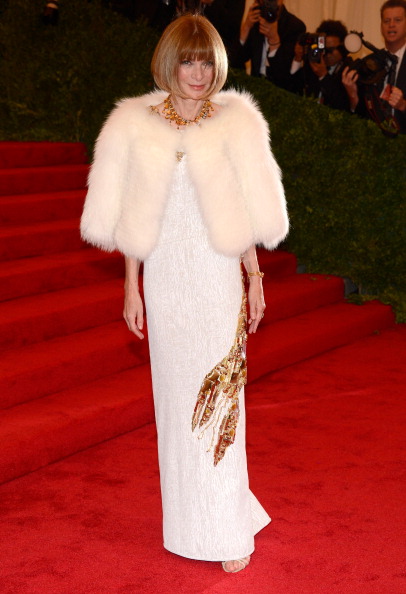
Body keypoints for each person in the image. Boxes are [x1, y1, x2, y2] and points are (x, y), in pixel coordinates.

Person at [80, 14, 288, 573]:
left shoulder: (235, 121)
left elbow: (247, 206)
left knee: (221, 404)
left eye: (206, 61)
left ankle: (225, 528)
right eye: (188, 60)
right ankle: (196, 521)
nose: (197, 73)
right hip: (167, 282)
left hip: (218, 278)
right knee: (176, 408)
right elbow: (132, 215)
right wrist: (131, 286)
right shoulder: (136, 123)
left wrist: (254, 277)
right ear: (168, 63)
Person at [342, 0, 406, 133]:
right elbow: (361, 116)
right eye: (386, 21)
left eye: (397, 20)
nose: (391, 25)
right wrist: (352, 95)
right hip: (375, 141)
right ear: (381, 26)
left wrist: (403, 105)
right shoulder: (370, 63)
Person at [238, 0, 305, 90]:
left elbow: (286, 74)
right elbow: (238, 59)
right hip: (256, 85)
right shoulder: (256, 19)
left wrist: (274, 39)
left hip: (280, 89)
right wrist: (246, 27)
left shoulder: (294, 26)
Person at [290, 20, 350, 111]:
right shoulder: (314, 63)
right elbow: (292, 89)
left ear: (343, 47)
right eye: (324, 49)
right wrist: (298, 59)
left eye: (331, 49)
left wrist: (323, 76)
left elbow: (342, 105)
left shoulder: (348, 70)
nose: (327, 54)